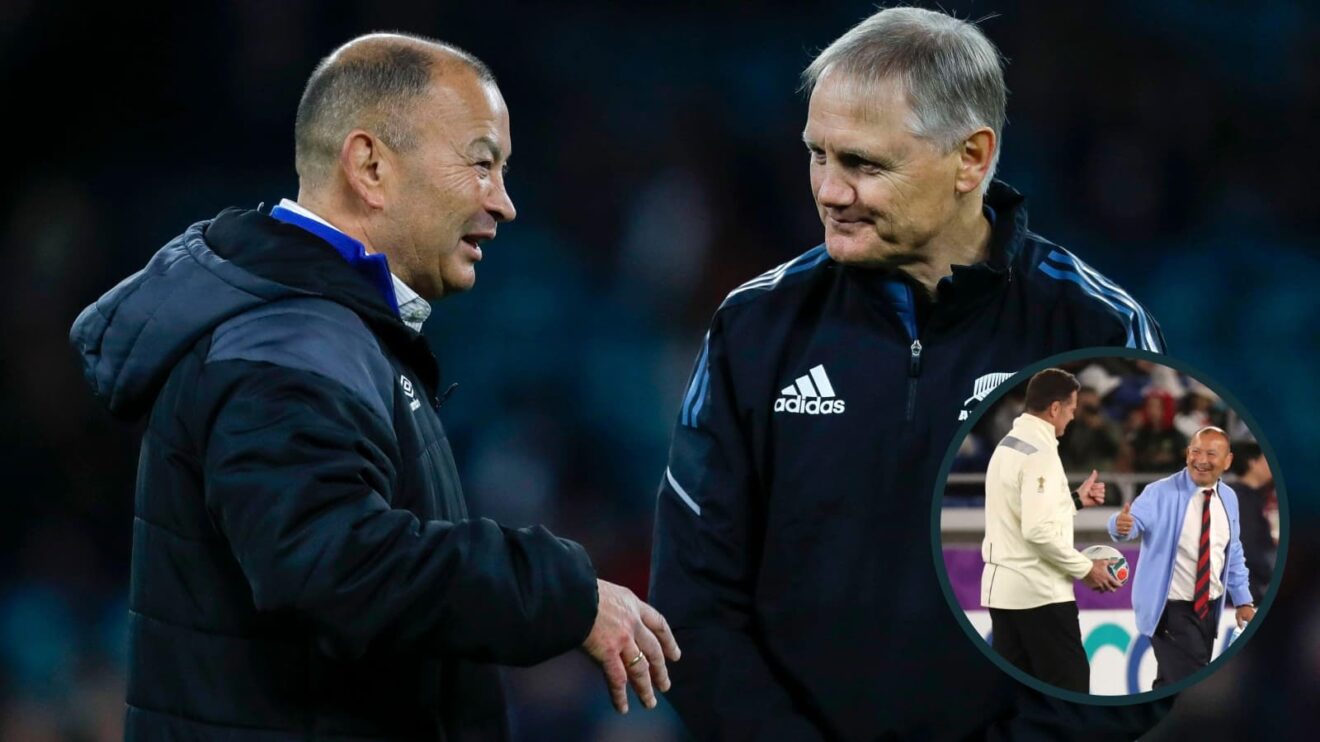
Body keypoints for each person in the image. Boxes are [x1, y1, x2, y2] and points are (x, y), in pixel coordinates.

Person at [69, 33, 678, 740]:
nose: (504, 203)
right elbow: (330, 566)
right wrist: (559, 593)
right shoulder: (286, 339)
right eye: (482, 165)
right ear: (370, 166)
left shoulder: (316, 328)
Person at [649, 6, 1167, 739]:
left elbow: (1145, 622)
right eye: (817, 154)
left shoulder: (1095, 332)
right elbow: (692, 603)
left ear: (972, 158)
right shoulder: (754, 328)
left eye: (863, 163)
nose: (830, 190)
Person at [981, 369, 1119, 693]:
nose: (1072, 418)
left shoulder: (1008, 445)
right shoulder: (1041, 454)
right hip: (1040, 595)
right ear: (1055, 408)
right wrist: (1086, 569)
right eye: (1072, 410)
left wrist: (1074, 501)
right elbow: (1038, 531)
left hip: (1004, 595)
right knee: (1071, 694)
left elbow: (1022, 512)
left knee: (1016, 698)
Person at [1109, 427, 1255, 688]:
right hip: (1171, 611)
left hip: (1209, 610)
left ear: (1228, 460)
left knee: (1170, 686)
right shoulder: (1159, 492)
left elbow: (1231, 552)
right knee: (1195, 685)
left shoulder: (1229, 498)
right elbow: (1132, 523)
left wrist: (1243, 599)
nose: (1201, 460)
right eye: (1195, 451)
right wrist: (1119, 526)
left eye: (1211, 453)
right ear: (1187, 453)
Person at [1229, 441, 1277, 602]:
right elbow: (1245, 545)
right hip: (1247, 589)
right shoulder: (1242, 499)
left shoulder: (1251, 497)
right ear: (1253, 463)